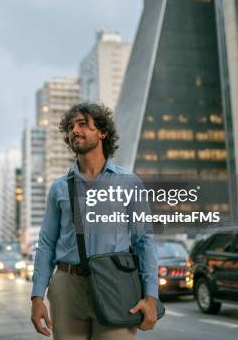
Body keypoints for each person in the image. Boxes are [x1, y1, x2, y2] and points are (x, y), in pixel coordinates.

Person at [30, 103, 159, 339]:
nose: (74, 131)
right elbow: (46, 243)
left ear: (102, 132)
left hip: (115, 285)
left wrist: (151, 296)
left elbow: (144, 241)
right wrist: (37, 296)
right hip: (67, 287)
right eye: (70, 127)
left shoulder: (128, 183)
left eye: (82, 125)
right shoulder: (59, 188)